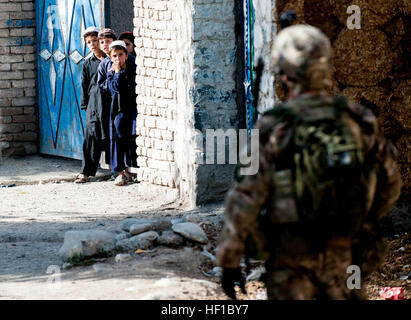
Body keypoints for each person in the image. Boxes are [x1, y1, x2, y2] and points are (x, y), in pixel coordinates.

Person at [216, 25, 402, 300]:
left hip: (291, 259)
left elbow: (245, 197)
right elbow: (390, 183)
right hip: (346, 255)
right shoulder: (357, 119)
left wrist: (229, 259)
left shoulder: (274, 125)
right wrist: (362, 221)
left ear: (284, 77)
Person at [98, 40, 137, 186]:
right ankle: (120, 172)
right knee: (118, 138)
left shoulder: (133, 69)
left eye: (120, 55)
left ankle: (133, 170)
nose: (117, 58)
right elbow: (114, 88)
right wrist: (117, 73)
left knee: (133, 137)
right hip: (117, 109)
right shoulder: (111, 72)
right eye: (114, 56)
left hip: (132, 108)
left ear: (126, 55)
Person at [75, 26, 109, 183]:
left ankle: (119, 169)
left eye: (95, 40)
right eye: (89, 42)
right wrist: (85, 105)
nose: (93, 44)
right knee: (91, 136)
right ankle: (86, 172)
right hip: (93, 105)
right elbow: (85, 85)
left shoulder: (110, 60)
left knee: (110, 134)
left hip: (109, 103)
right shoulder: (88, 63)